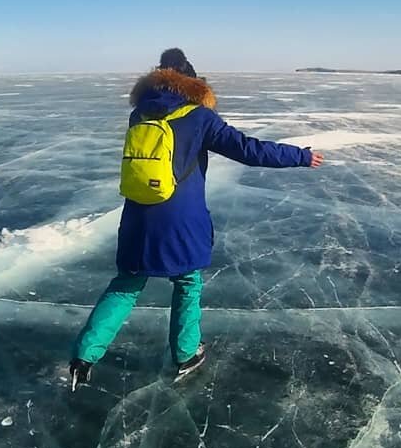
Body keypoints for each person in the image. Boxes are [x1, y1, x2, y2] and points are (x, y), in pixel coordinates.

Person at [68, 48, 324, 389]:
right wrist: (300, 157)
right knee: (188, 284)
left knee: (126, 285)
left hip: (138, 218)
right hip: (180, 220)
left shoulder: (139, 115)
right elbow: (248, 150)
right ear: (191, 81)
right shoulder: (199, 117)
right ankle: (186, 353)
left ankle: (83, 359)